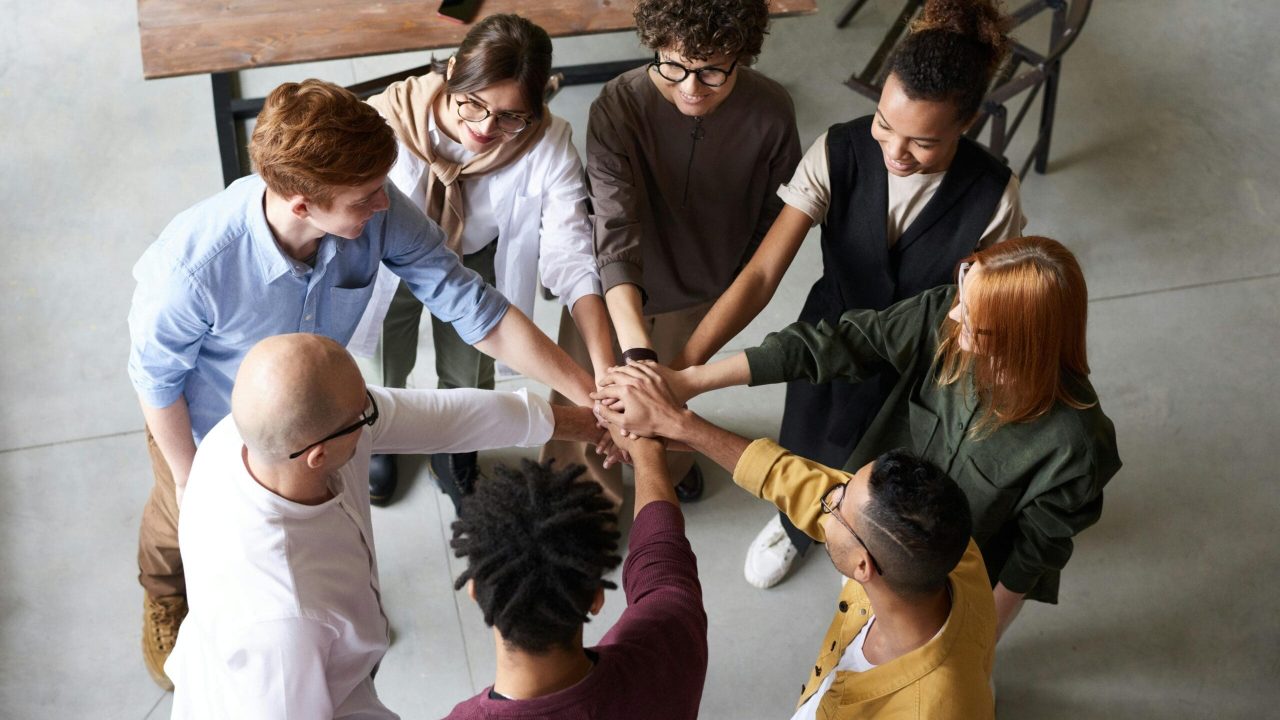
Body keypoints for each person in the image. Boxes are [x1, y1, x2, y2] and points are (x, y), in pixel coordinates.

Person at [127, 79, 597, 690]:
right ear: (300, 203)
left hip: (322, 413)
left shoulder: (376, 208)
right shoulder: (191, 269)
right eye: (366, 196)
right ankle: (164, 595)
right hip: (205, 424)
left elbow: (473, 307)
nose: (385, 204)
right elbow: (154, 381)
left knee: (320, 536)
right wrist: (195, 486)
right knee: (174, 528)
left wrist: (590, 394)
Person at [600, 237, 1121, 640]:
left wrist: (978, 639)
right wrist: (689, 381)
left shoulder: (1075, 445)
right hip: (869, 520)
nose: (955, 315)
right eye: (963, 292)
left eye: (978, 325)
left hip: (949, 577)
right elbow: (838, 344)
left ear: (1025, 342)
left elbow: (1032, 557)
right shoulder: (948, 313)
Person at [670, 0, 1026, 588]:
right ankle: (795, 524)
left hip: (920, 363)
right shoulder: (838, 151)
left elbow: (986, 311)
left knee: (891, 470)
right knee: (809, 438)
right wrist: (684, 366)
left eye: (923, 142)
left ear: (967, 124)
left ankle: (865, 539)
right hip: (825, 342)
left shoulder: (995, 196)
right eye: (884, 123)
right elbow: (761, 276)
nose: (894, 152)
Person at [166, 333, 604, 718]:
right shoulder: (287, 622)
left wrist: (588, 424)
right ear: (318, 455)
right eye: (364, 414)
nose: (374, 412)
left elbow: (443, 418)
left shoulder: (258, 433)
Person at [594, 363, 994, 718]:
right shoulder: (945, 549)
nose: (826, 496)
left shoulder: (932, 708)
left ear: (863, 566)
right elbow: (798, 481)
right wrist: (679, 426)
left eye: (837, 506)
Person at [542, 0, 803, 506]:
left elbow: (773, 225)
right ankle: (581, 499)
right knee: (589, 396)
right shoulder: (618, 105)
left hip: (702, 289)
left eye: (711, 72)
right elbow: (613, 229)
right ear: (654, 44)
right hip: (612, 287)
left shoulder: (772, 113)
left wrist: (724, 287)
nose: (690, 87)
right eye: (674, 66)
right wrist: (637, 356)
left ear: (741, 56)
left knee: (675, 400)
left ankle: (673, 464)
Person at [355, 14, 615, 508]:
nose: (484, 128)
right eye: (472, 104)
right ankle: (382, 432)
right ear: (453, 70)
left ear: (534, 109)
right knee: (385, 355)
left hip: (476, 257)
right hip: (391, 259)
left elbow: (571, 252)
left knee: (471, 369)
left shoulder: (546, 141)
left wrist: (602, 371)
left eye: (509, 116)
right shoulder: (387, 117)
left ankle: (455, 446)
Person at [442, 437, 707, 718]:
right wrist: (647, 451)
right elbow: (662, 557)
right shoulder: (671, 637)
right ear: (597, 598)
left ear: (474, 592)